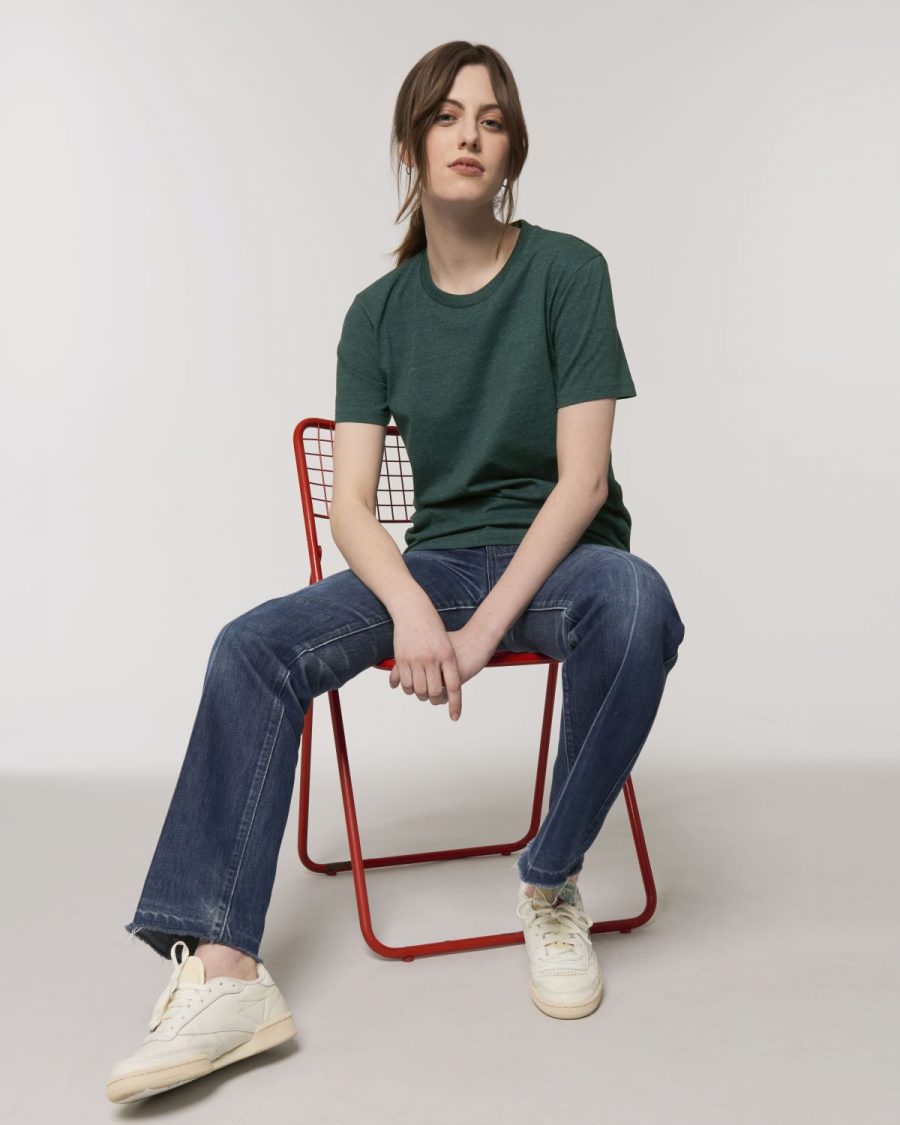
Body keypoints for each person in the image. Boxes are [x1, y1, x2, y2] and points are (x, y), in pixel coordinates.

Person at [107, 40, 686, 1104]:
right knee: (251, 646)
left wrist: (477, 634)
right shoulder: (376, 315)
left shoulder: (569, 272)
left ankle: (550, 880)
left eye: (492, 119)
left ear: (512, 150)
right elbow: (350, 506)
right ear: (412, 143)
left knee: (640, 603)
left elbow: (582, 482)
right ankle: (225, 974)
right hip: (435, 566)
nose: (470, 135)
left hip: (564, 565)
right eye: (447, 116)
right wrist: (416, 609)